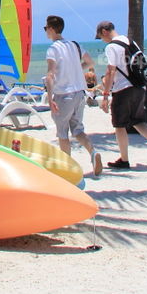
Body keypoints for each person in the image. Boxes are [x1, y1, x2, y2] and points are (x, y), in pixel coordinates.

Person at [96, 21, 147, 168]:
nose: (102, 40)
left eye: (100, 37)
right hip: (139, 87)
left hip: (123, 90)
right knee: (138, 120)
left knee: (119, 125)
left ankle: (124, 159)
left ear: (104, 31)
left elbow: (111, 71)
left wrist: (105, 95)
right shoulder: (130, 41)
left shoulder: (111, 47)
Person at [43, 16, 102, 177]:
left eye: (45, 28)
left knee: (62, 133)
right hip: (80, 94)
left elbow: (50, 75)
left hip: (64, 95)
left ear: (52, 29)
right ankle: (93, 152)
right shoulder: (75, 45)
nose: (45, 31)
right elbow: (90, 62)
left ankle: (67, 169)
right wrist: (77, 69)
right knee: (78, 130)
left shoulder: (53, 49)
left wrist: (49, 98)